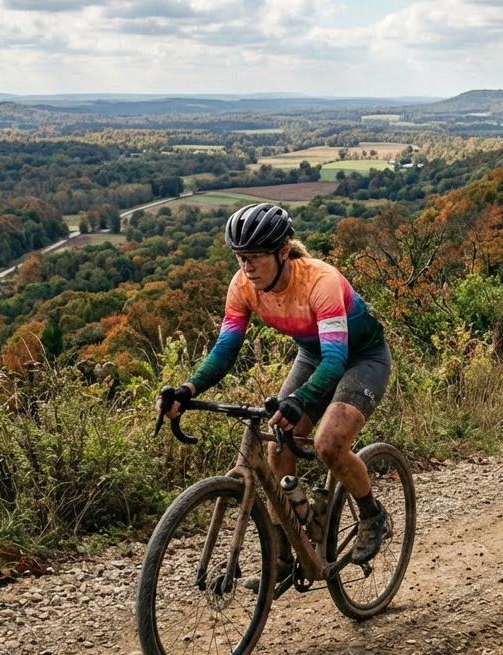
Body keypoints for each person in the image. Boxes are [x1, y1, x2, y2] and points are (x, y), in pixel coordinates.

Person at [158, 203, 391, 570]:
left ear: (283, 252)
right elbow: (226, 348)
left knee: (328, 443)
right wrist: (188, 389)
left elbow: (336, 360)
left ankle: (371, 514)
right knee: (277, 450)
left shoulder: (320, 281)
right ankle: (283, 556)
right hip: (314, 356)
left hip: (362, 358)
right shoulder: (243, 285)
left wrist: (300, 400)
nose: (246, 268)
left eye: (254, 257)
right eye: (239, 258)